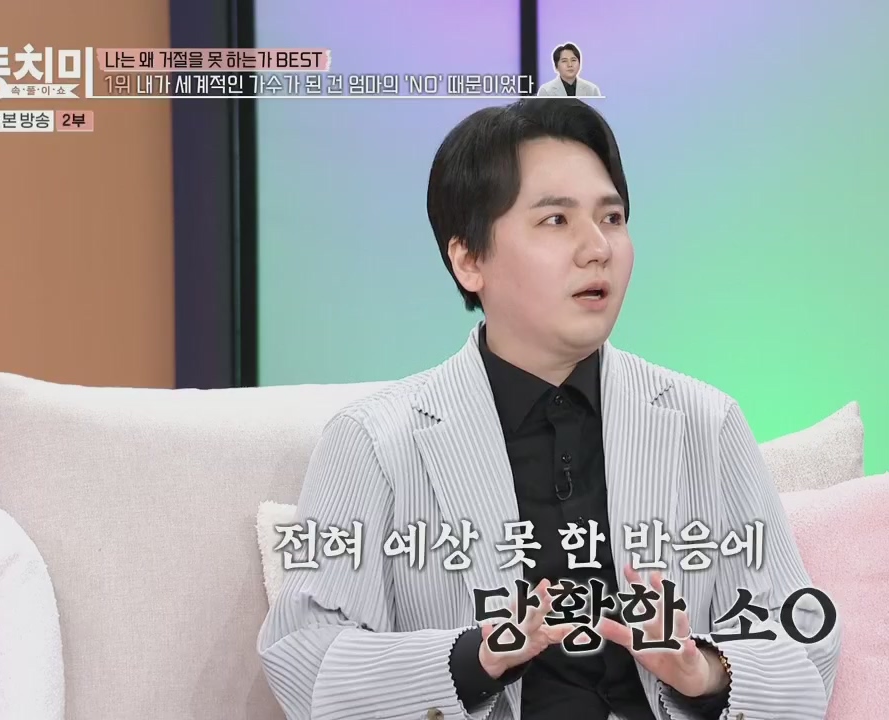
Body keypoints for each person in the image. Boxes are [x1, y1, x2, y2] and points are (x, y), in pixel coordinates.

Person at [258, 99, 841, 720]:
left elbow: (804, 639)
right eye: (557, 220)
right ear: (469, 259)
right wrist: (473, 660)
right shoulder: (373, 441)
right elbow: (303, 656)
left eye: (612, 218)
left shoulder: (706, 423)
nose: (598, 248)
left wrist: (705, 671)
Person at [536, 43, 602, 97]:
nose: (570, 65)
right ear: (556, 66)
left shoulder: (592, 90)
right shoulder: (546, 91)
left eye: (573, 60)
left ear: (579, 64)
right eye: (564, 61)